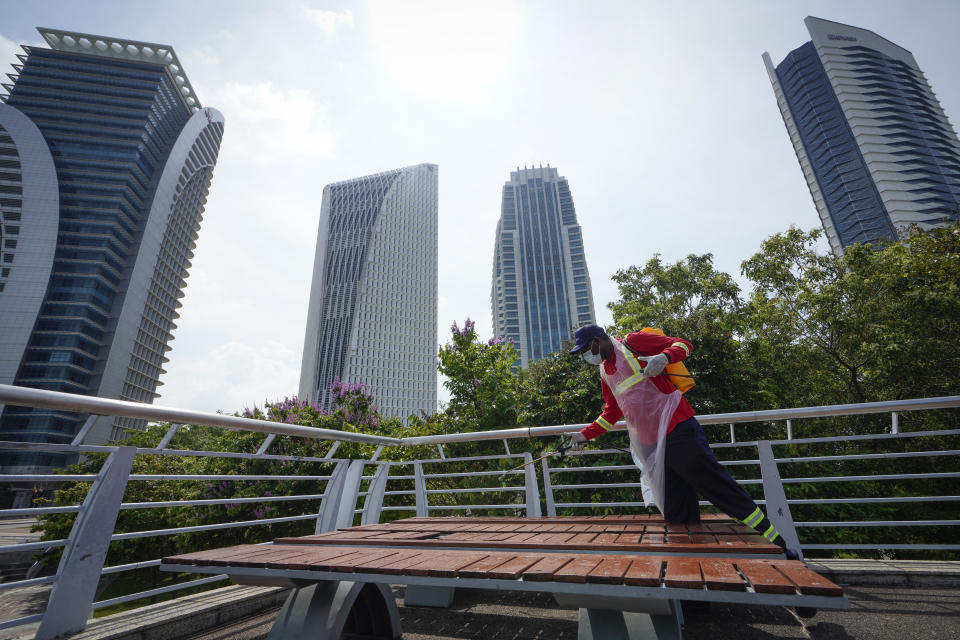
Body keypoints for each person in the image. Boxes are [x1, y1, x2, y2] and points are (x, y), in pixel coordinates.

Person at [568, 324, 799, 560]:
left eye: (587, 349)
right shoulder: (605, 372)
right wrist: (585, 434)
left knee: (721, 490)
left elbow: (683, 344)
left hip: (678, 429)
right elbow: (612, 412)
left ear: (598, 340)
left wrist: (664, 357)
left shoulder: (632, 343)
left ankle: (780, 548)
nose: (588, 355)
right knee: (676, 511)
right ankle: (693, 569)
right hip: (652, 446)